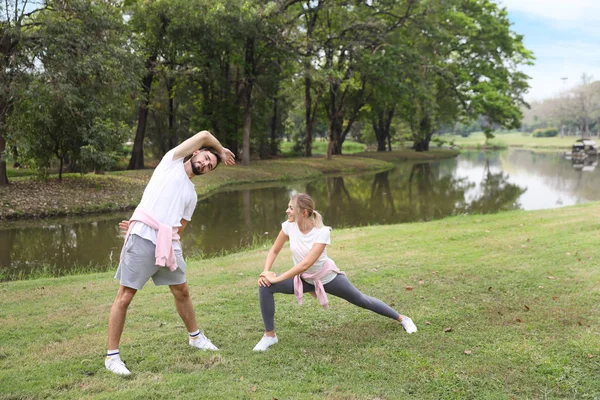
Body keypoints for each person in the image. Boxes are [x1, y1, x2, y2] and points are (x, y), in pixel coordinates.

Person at [105, 130, 235, 375]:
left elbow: (180, 228)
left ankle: (195, 337)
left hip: (169, 244)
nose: (206, 164)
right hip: (143, 237)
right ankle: (112, 357)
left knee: (182, 290)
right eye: (206, 158)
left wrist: (170, 246)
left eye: (210, 166)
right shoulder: (170, 163)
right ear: (196, 152)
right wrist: (221, 150)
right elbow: (205, 134)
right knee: (125, 296)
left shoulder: (192, 196)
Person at [254, 193, 417, 351]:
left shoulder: (322, 232)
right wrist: (265, 272)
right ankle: (270, 336)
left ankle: (403, 318)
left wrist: (277, 278)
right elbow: (274, 250)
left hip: (326, 277)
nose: (287, 211)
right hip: (303, 279)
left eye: (291, 207)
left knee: (361, 299)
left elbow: (305, 264)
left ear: (303, 212)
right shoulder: (288, 226)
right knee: (265, 286)